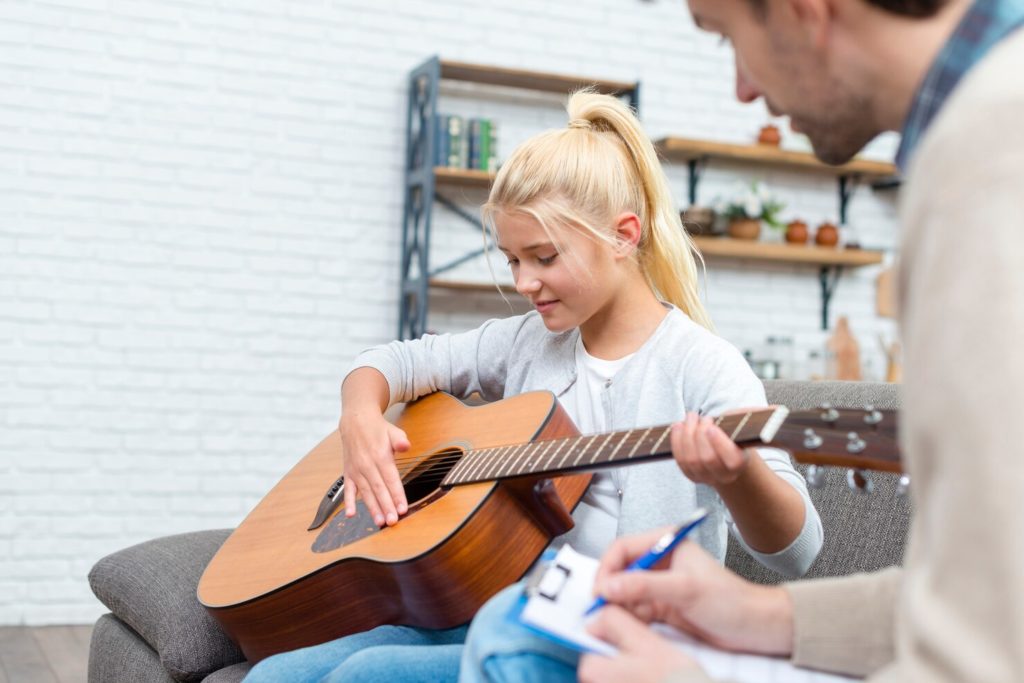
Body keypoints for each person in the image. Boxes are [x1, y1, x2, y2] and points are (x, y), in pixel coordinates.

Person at [243, 90, 823, 683]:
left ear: (625, 236)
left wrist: (736, 473)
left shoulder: (702, 364)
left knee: (363, 676)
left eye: (543, 257)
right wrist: (360, 417)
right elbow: (392, 360)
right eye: (512, 259)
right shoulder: (529, 341)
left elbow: (797, 551)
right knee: (271, 677)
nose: (524, 282)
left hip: (617, 638)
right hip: (502, 603)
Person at [575, 1, 1024, 682]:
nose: (743, 90)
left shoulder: (988, 165)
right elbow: (979, 596)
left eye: (729, 37)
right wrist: (764, 616)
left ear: (803, 10)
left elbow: (984, 657)